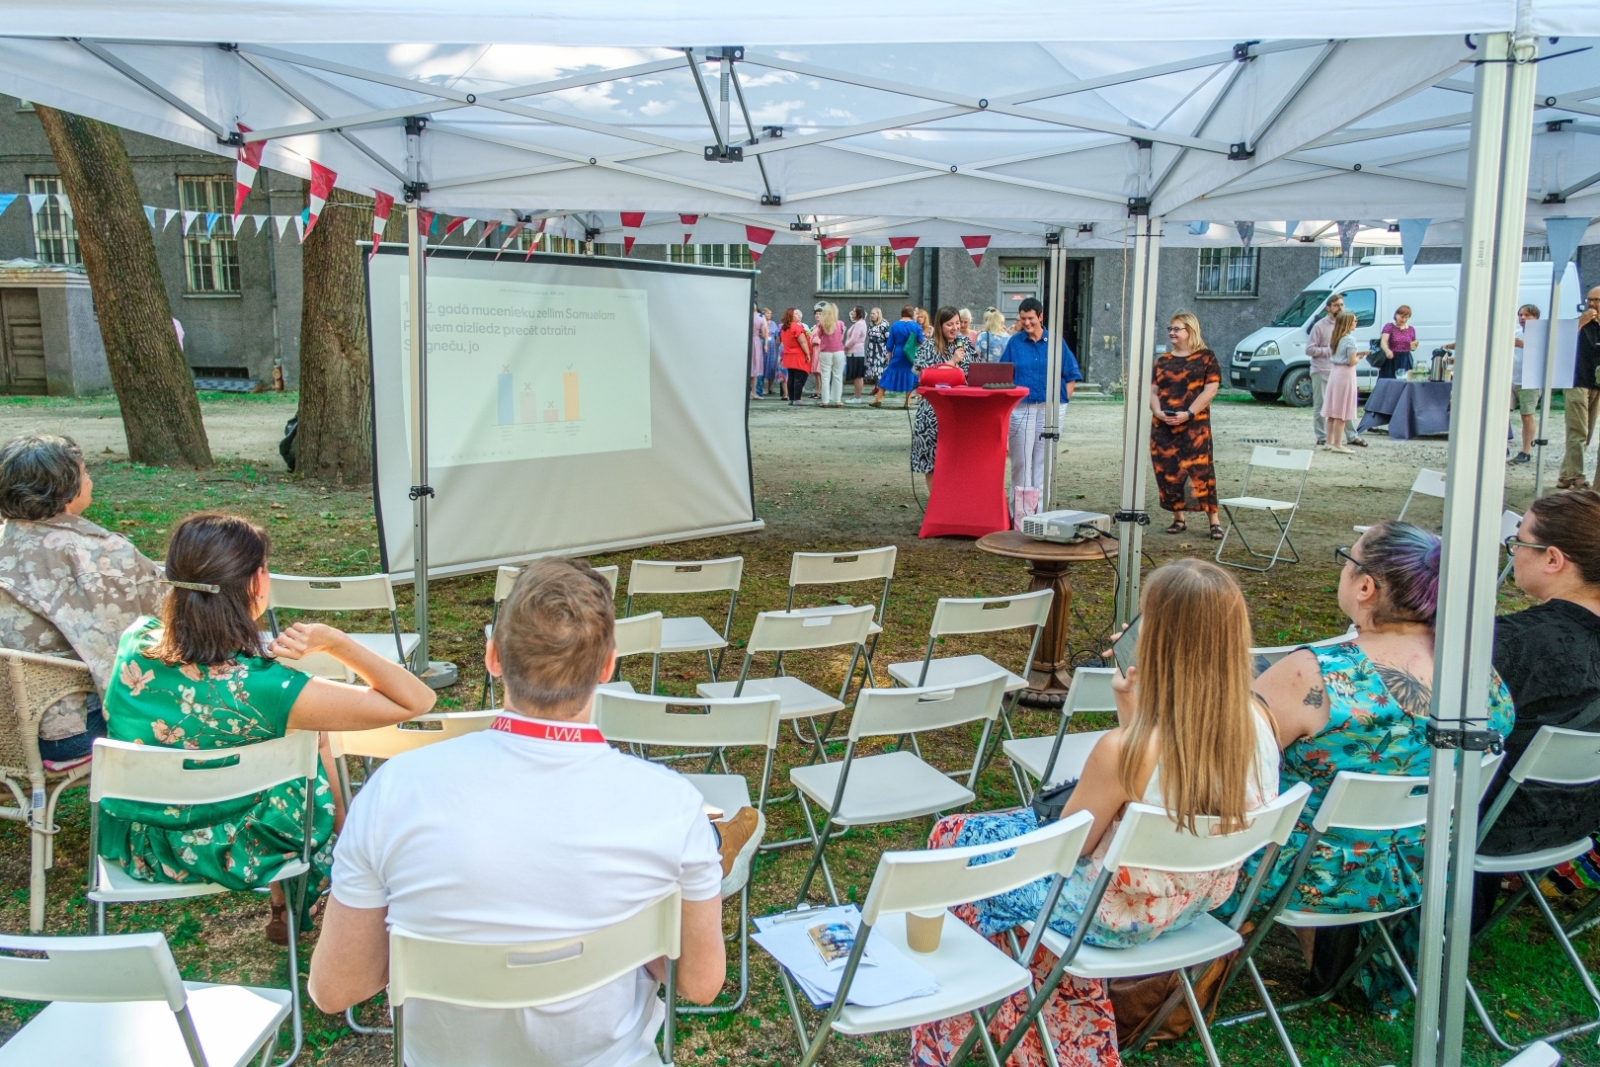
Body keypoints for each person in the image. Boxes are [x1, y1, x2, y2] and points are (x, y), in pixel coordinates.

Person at [309, 558, 748, 1067]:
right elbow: (699, 983)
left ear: (493, 657)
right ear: (607, 666)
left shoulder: (394, 790)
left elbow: (336, 989)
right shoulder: (670, 805)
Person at [909, 559, 1280, 1067]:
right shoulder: (1260, 722)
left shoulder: (1125, 750)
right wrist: (1134, 717)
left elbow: (1062, 849)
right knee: (982, 842)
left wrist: (1127, 731)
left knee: (953, 840)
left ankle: (955, 1030)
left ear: (1158, 641)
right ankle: (1036, 1020)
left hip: (1108, 917)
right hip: (1195, 903)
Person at [98, 512, 437, 943]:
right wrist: (337, 643)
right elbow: (417, 700)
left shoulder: (135, 641)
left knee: (295, 731)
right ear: (256, 584)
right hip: (227, 851)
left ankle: (319, 881)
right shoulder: (269, 688)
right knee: (309, 736)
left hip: (136, 841)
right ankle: (334, 871)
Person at [1243, 521, 1513, 1012]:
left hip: (1305, 873)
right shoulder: (1478, 673)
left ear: (1365, 586)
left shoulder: (1315, 671)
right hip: (1425, 867)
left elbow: (1226, 762)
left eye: (1349, 558)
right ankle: (1346, 965)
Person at [1472, 490, 1600, 927]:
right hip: (1581, 822)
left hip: (1491, 825)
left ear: (1553, 559)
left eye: (1519, 541)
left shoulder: (1508, 643)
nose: (1514, 552)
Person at [0, 433, 166, 769]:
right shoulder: (98, 553)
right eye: (85, 472)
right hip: (59, 733)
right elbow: (164, 620)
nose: (89, 481)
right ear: (67, 488)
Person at [999, 297, 1081, 516]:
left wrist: (1063, 401)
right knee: (1021, 461)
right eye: (1023, 319)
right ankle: (1020, 513)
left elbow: (1071, 373)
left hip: (1050, 407)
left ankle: (1041, 512)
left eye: (1031, 318)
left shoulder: (1056, 341)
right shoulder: (1014, 343)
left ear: (1041, 316)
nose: (1026, 323)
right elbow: (1002, 374)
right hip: (1022, 407)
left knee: (1043, 461)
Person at [1149, 312, 1222, 539]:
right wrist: (1158, 412)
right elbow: (1153, 390)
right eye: (1170, 328)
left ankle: (1214, 521)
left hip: (1194, 427)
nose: (1172, 332)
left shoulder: (1206, 358)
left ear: (1190, 330)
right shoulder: (1162, 361)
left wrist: (1188, 413)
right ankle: (1178, 518)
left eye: (1177, 328)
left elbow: (1211, 390)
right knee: (1170, 471)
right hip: (1164, 426)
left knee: (1201, 472)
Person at [910, 306, 974, 492]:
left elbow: (975, 372)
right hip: (932, 414)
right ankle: (936, 504)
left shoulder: (966, 345)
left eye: (957, 323)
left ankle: (953, 503)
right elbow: (924, 375)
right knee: (932, 463)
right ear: (939, 325)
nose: (955, 328)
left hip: (959, 412)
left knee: (956, 461)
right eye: (949, 324)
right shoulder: (930, 346)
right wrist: (952, 362)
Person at [1306, 293, 1365, 448]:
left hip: (1337, 370)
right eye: (1337, 305)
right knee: (1322, 405)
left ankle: (1351, 435)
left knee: (1345, 404)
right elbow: (1309, 349)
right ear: (1328, 307)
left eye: (1342, 304)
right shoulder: (1320, 326)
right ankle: (1322, 437)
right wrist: (1331, 350)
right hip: (1321, 369)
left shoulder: (1343, 325)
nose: (1340, 307)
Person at [1558, 285, 1600, 489]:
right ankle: (1578, 476)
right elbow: (1560, 343)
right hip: (1576, 382)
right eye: (1589, 300)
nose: (1592, 304)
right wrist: (1581, 323)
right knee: (1578, 431)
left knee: (1587, 432)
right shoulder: (1578, 323)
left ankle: (1565, 475)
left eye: (1597, 300)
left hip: (1596, 384)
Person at [1322, 309, 1361, 455]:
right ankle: (1338, 444)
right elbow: (1351, 362)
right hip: (1345, 374)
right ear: (1348, 323)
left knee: (1333, 411)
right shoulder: (1350, 340)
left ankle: (1329, 442)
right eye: (1354, 321)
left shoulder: (1335, 337)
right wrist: (1358, 357)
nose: (1356, 323)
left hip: (1335, 373)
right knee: (1342, 411)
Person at [874, 304, 923, 408]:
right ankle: (907, 402)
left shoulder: (895, 325)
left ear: (902, 313)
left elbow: (890, 344)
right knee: (910, 376)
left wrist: (889, 357)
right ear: (911, 314)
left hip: (898, 353)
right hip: (911, 355)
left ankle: (878, 398)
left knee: (888, 374)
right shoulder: (916, 326)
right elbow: (921, 342)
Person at [1510, 303, 1541, 464]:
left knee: (1526, 416)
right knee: (1501, 413)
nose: (1522, 318)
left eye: (1527, 315)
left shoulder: (1541, 334)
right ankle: (1500, 446)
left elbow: (1545, 354)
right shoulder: (1514, 332)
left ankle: (1525, 451)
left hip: (1530, 380)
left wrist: (1524, 345)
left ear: (1536, 318)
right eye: (1520, 315)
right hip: (1510, 379)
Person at [811, 301, 846, 408]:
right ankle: (837, 400)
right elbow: (841, 336)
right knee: (837, 376)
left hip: (825, 351)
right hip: (838, 351)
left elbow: (820, 336)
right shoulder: (840, 323)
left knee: (825, 377)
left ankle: (825, 401)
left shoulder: (821, 324)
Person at [778, 307, 814, 405]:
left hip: (788, 355)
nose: (799, 316)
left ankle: (791, 399)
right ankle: (797, 399)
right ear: (791, 316)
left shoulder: (785, 327)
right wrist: (807, 353)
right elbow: (802, 342)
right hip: (798, 355)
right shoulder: (797, 327)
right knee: (800, 377)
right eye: (796, 314)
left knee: (792, 377)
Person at [1377, 305, 1416, 380]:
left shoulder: (1411, 329)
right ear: (1396, 315)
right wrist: (1387, 351)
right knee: (1389, 381)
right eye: (1402, 317)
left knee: (1406, 382)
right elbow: (1383, 342)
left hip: (1406, 359)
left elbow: (1412, 348)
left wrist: (1415, 345)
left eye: (1406, 317)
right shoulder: (1389, 326)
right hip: (1392, 359)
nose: (1404, 319)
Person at [843, 305, 868, 401]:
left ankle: (858, 397)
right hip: (856, 352)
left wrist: (845, 347)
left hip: (855, 352)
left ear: (858, 313)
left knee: (858, 375)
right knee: (857, 375)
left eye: (854, 311)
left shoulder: (859, 324)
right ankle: (856, 395)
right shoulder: (859, 323)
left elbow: (853, 339)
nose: (852, 312)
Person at [864, 307, 890, 388]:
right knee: (873, 369)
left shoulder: (883, 325)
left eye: (873, 313)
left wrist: (888, 352)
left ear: (878, 315)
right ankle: (876, 387)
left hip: (880, 350)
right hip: (871, 350)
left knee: (879, 369)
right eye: (871, 313)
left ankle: (880, 389)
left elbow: (888, 338)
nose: (871, 315)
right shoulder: (871, 325)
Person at [761, 307, 781, 397]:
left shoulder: (773, 323)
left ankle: (770, 387)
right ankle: (761, 387)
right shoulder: (761, 322)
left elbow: (777, 334)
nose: (769, 315)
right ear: (763, 313)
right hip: (762, 347)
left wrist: (778, 342)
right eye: (768, 313)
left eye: (770, 313)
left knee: (772, 366)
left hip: (772, 348)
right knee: (762, 366)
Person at [749, 302, 767, 400]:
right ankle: (754, 393)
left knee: (748, 367)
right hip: (755, 341)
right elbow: (764, 333)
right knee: (755, 367)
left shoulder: (745, 316)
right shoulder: (760, 317)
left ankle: (748, 393)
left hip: (746, 341)